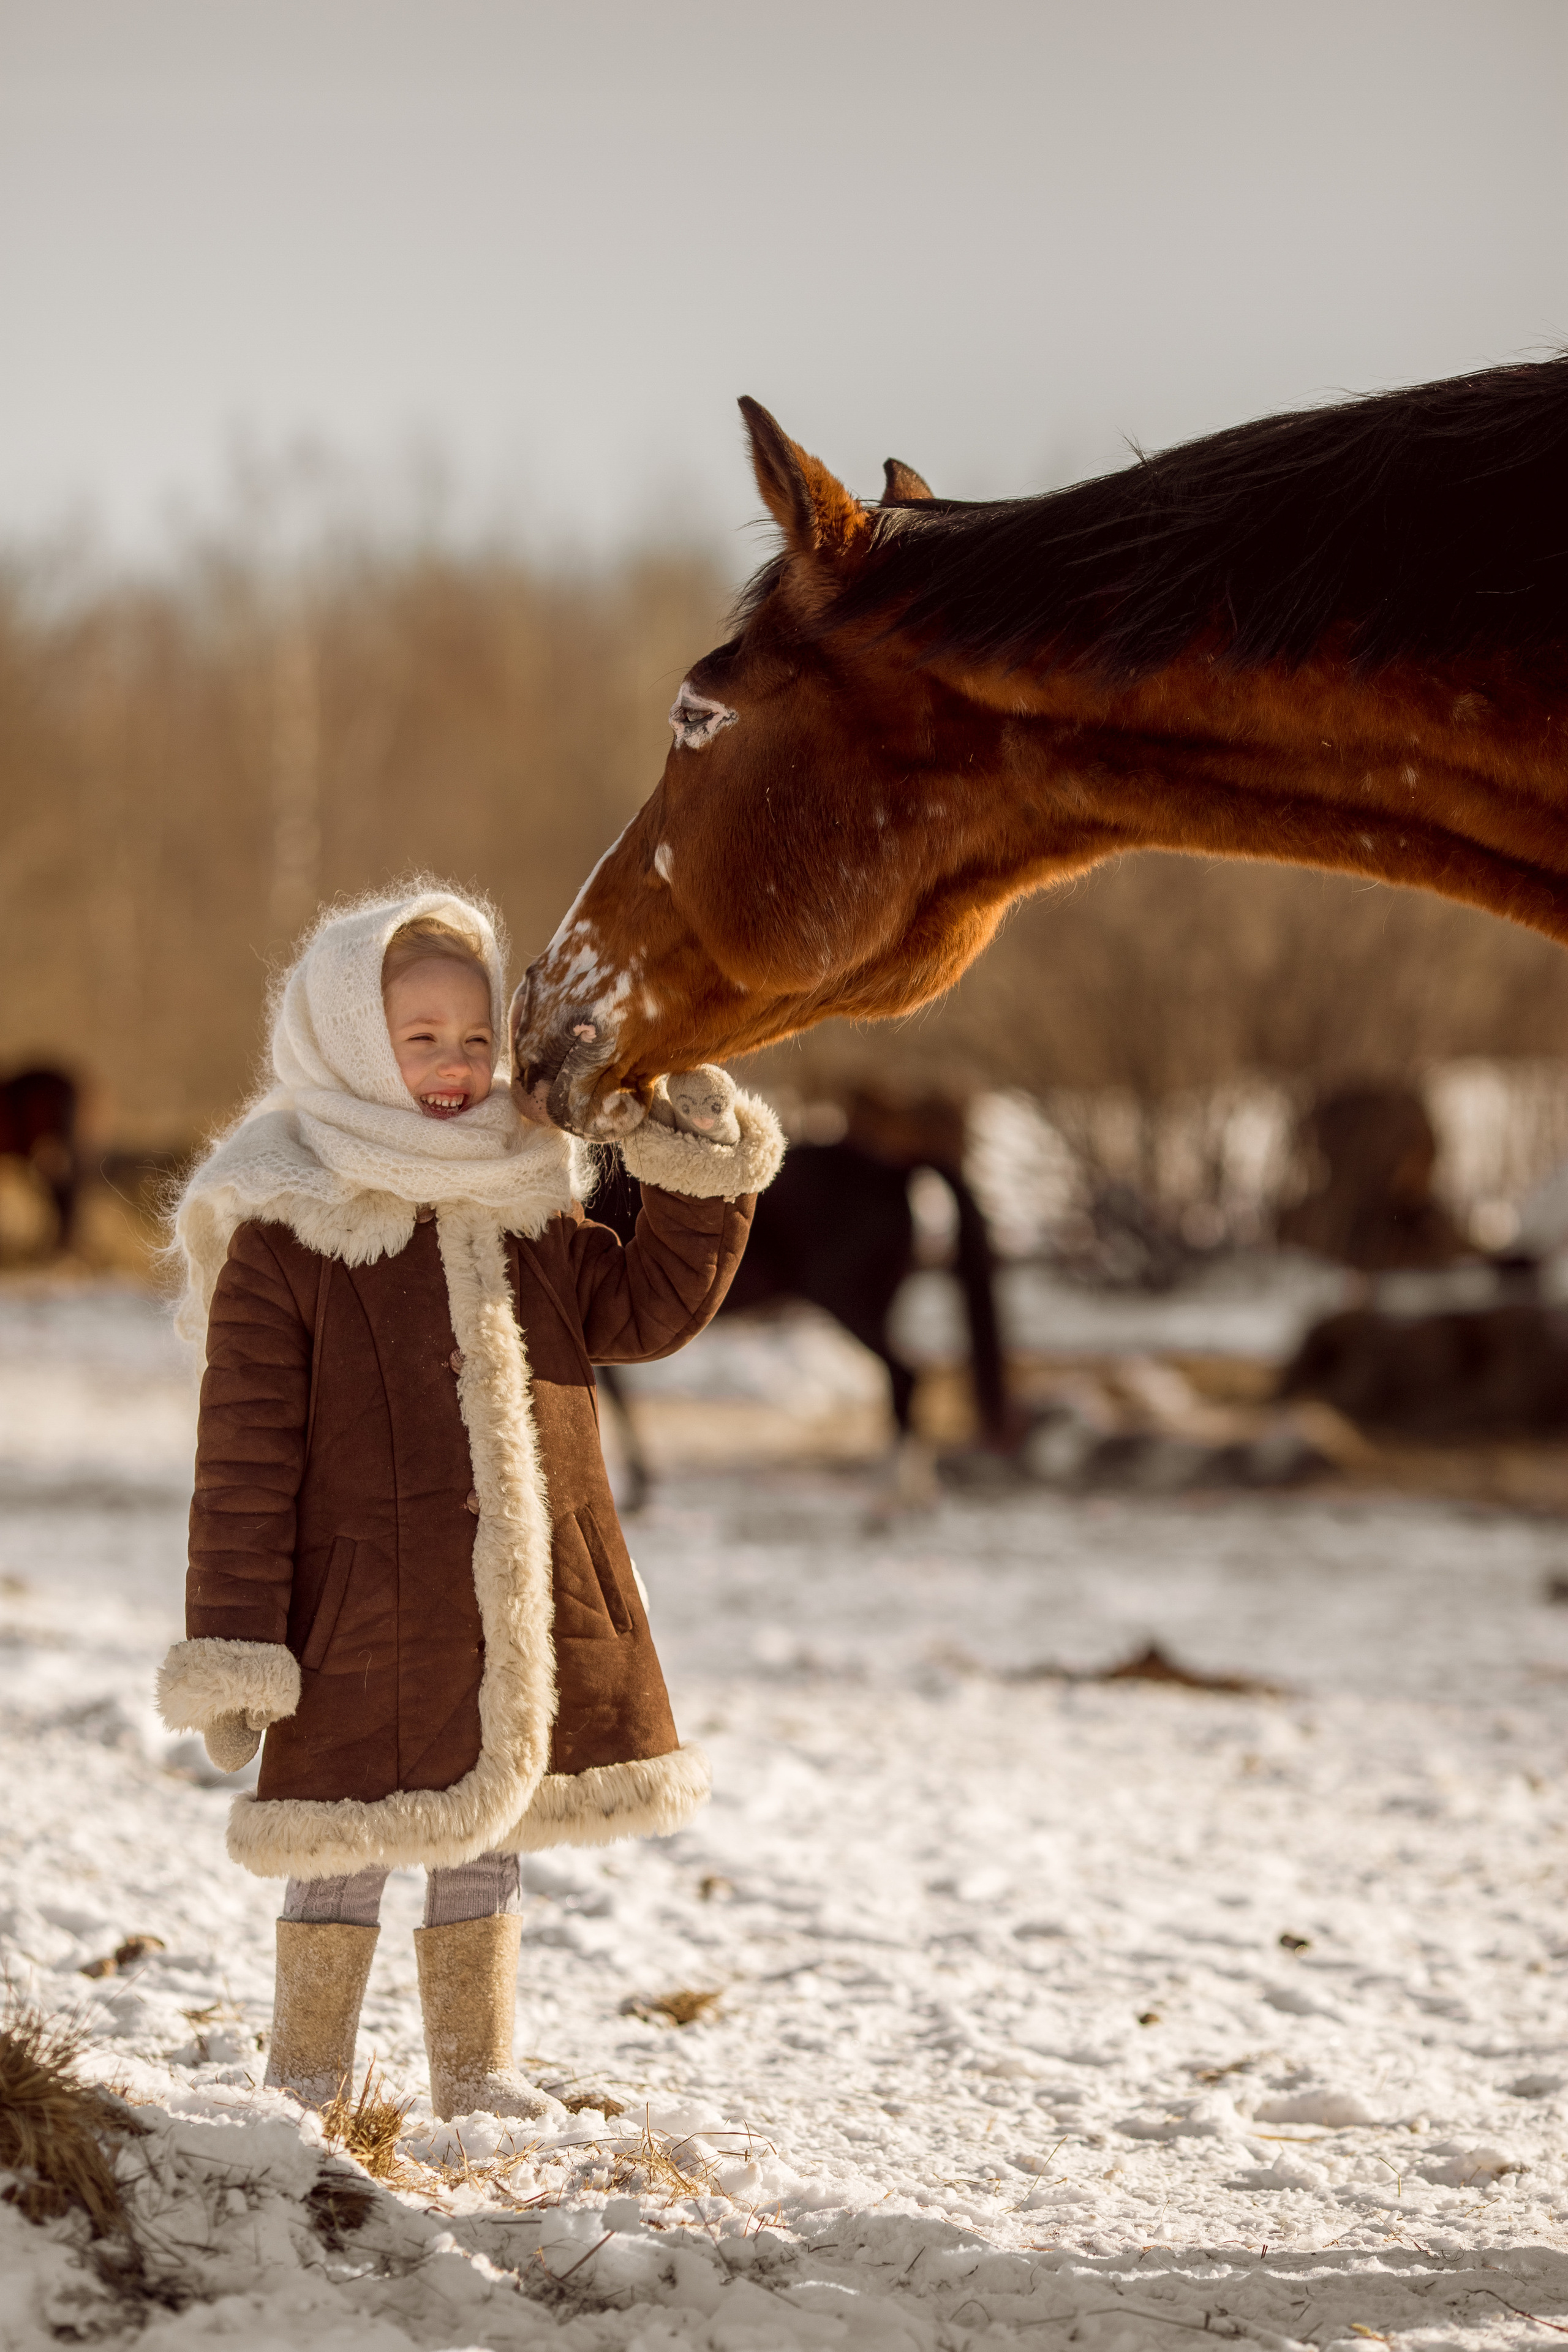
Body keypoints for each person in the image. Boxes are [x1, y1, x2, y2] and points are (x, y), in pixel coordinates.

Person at [156, 884, 782, 2121]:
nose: (455, 1067)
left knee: (485, 1828)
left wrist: (691, 1166)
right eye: (419, 1038)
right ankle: (305, 2076)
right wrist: (236, 1639)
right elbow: (243, 1457)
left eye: (474, 1038)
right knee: (344, 1837)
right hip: (360, 1609)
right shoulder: (290, 1224)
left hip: (523, 1595)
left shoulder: (528, 1195)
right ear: (344, 1037)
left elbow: (644, 1312)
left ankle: (478, 2071)